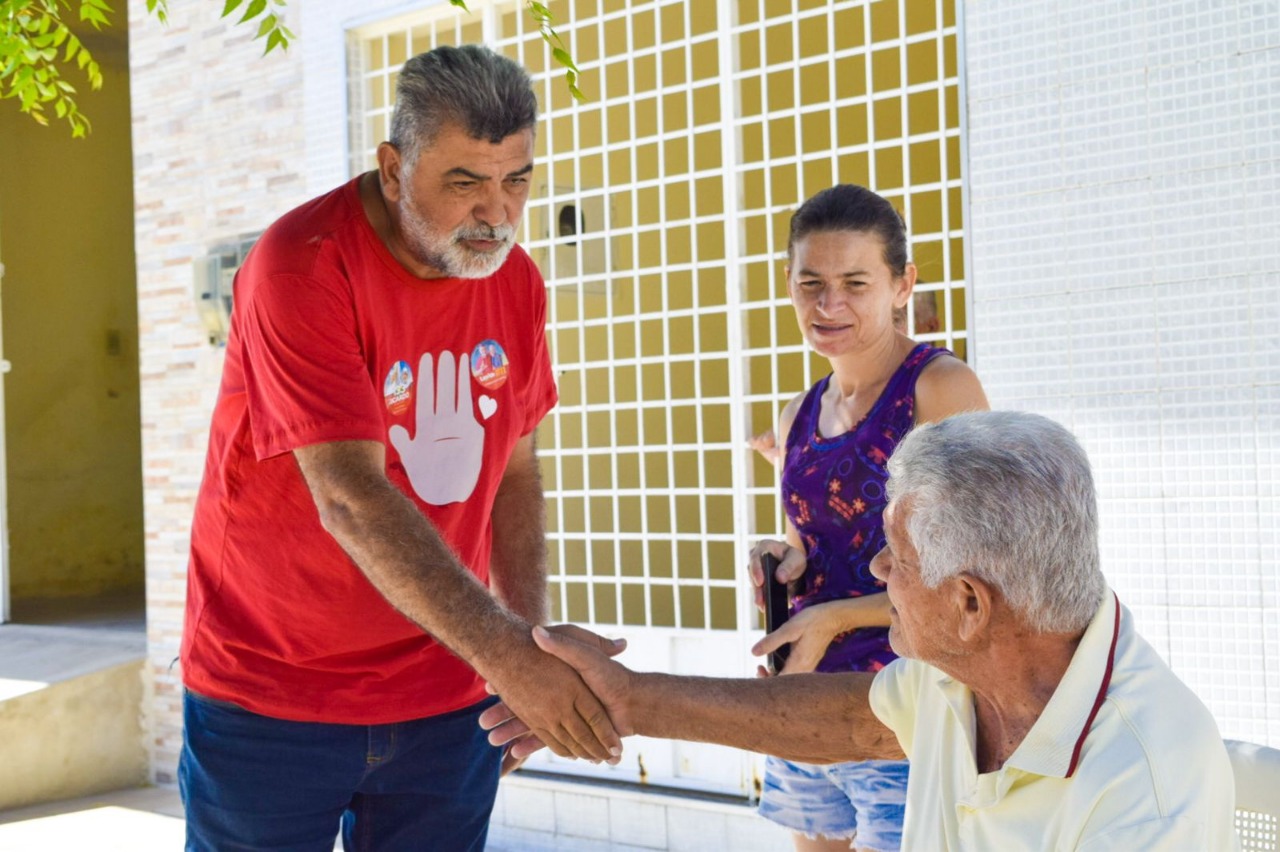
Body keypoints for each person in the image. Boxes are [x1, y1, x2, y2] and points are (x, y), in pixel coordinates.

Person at [179, 45, 620, 852]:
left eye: (515, 180)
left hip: (448, 695)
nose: (497, 213)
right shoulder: (301, 265)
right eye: (464, 183)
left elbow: (516, 472)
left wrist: (528, 644)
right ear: (392, 168)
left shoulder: (514, 281)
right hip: (273, 694)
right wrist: (511, 656)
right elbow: (348, 495)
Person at [482, 411, 1240, 851]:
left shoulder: (1143, 785)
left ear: (971, 605)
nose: (875, 570)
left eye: (897, 556)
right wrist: (628, 700)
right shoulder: (970, 675)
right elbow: (860, 719)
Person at [747, 184, 988, 852]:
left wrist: (835, 618)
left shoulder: (939, 389)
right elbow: (812, 542)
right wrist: (785, 562)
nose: (830, 305)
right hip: (805, 704)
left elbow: (978, 576)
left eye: (856, 281)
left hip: (908, 712)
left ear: (902, 284)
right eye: (811, 283)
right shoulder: (799, 413)